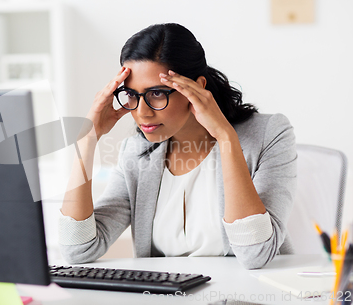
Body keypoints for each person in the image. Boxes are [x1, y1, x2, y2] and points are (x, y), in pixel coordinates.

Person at [58, 23, 296, 269]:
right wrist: (87, 140)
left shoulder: (269, 134)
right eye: (131, 95)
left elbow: (255, 254)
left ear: (196, 87)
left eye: (157, 94)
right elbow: (78, 250)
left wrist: (225, 138)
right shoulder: (137, 153)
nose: (142, 113)